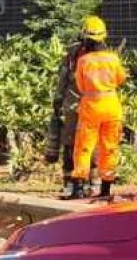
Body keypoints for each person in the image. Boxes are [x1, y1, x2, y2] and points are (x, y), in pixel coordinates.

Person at [68, 16, 128, 200]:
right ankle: (105, 189)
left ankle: (78, 188)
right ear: (103, 36)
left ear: (86, 36)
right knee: (110, 147)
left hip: (91, 107)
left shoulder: (84, 61)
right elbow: (121, 79)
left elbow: (80, 85)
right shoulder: (113, 59)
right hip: (111, 105)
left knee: (84, 147)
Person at [49, 33, 90, 198]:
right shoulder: (94, 56)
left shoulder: (71, 58)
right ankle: (87, 183)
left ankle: (70, 183)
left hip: (74, 106)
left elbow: (62, 82)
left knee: (71, 144)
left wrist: (57, 100)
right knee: (88, 144)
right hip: (89, 106)